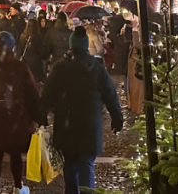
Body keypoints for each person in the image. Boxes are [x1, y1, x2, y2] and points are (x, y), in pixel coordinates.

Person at [42, 27, 124, 194]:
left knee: (70, 163)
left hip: (66, 124)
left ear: (71, 46)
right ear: (86, 46)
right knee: (86, 165)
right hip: (90, 125)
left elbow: (46, 95)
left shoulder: (59, 68)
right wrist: (117, 118)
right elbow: (110, 94)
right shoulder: (97, 68)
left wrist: (42, 115)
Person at [0, 31, 40, 194]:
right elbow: (32, 93)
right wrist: (35, 116)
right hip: (16, 118)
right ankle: (18, 186)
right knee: (15, 153)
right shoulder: (20, 67)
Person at [19, 18, 46, 85]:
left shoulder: (22, 36)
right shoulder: (37, 37)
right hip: (36, 64)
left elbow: (20, 49)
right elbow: (42, 52)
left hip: (25, 62)